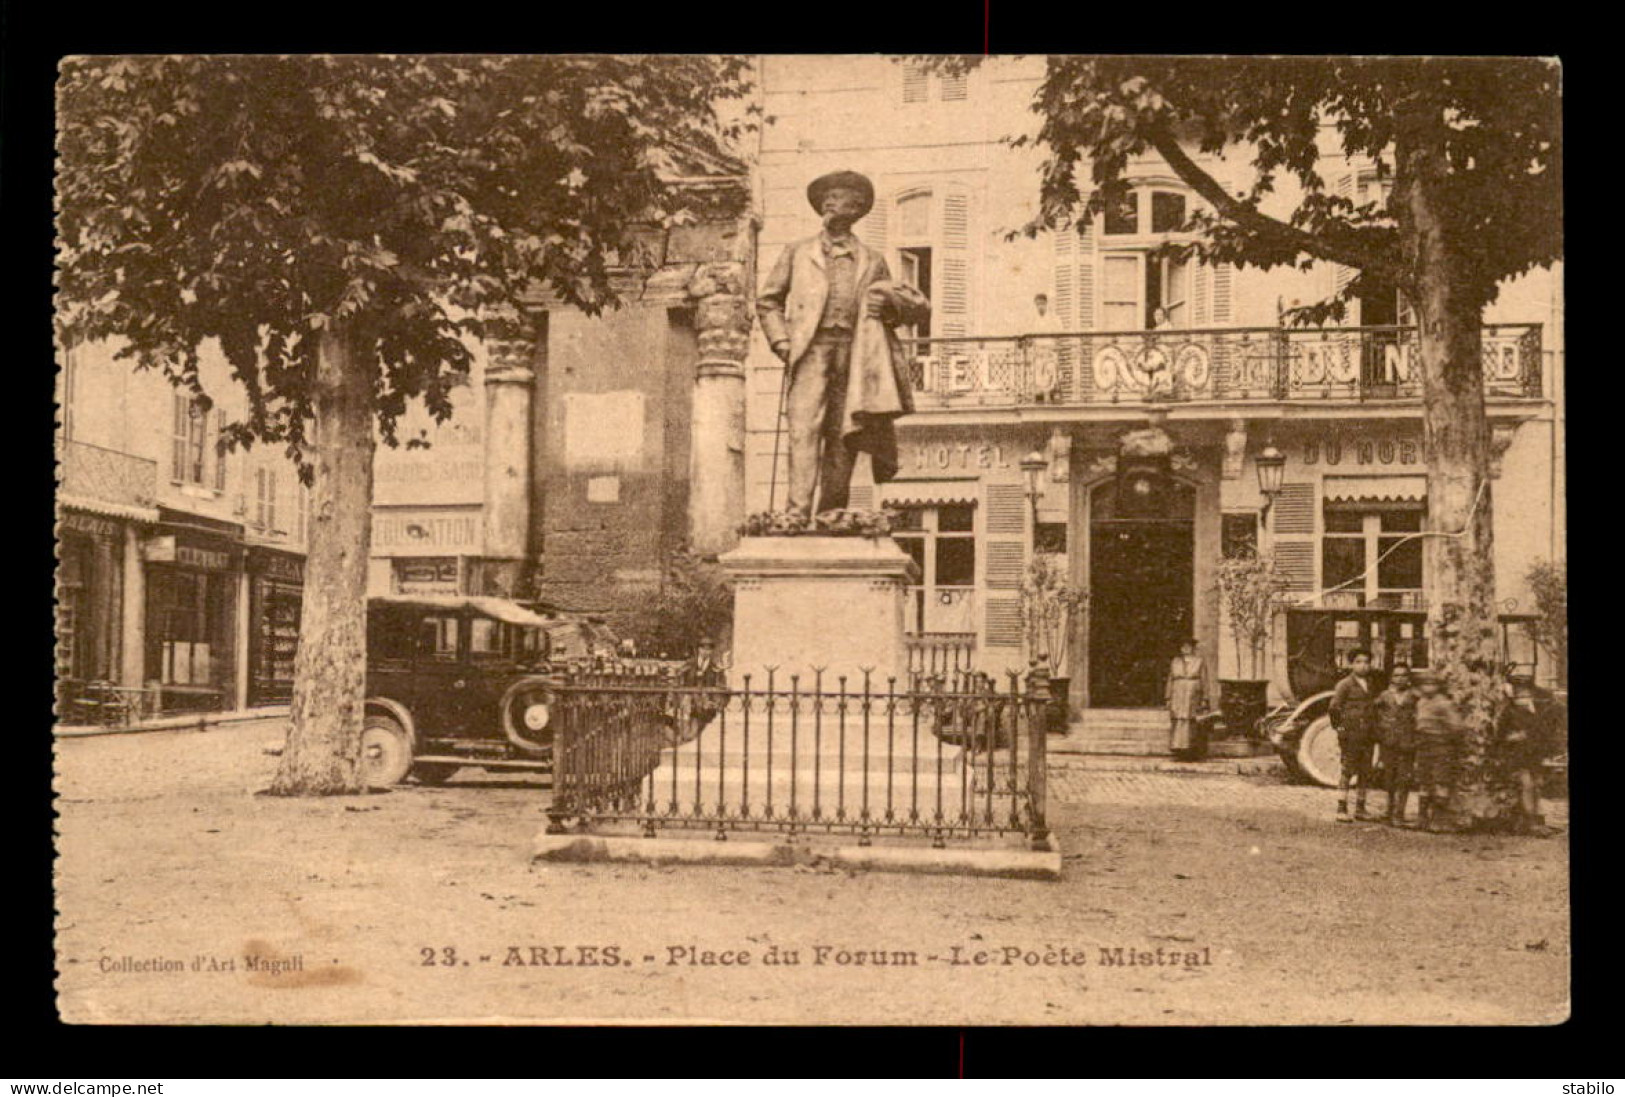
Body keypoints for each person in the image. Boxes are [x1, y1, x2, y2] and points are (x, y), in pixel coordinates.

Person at [757, 170, 930, 519]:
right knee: (803, 429)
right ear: (822, 206)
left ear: (859, 209)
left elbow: (898, 308)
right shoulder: (797, 252)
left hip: (856, 354)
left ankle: (831, 511)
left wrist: (889, 309)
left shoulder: (873, 259)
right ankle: (796, 512)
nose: (837, 205)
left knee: (843, 433)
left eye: (848, 200)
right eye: (831, 199)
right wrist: (782, 343)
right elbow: (768, 301)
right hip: (811, 349)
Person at [1497, 676, 1557, 837]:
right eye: (1520, 695)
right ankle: (1531, 822)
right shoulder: (1508, 713)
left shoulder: (1535, 711)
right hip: (1516, 755)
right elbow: (1499, 737)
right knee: (1527, 785)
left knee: (1537, 785)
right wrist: (1513, 737)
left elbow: (1542, 733)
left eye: (1526, 694)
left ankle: (1536, 820)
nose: (1523, 698)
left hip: (1533, 754)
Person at [1329, 649, 1380, 822]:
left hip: (1367, 735)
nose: (1363, 665)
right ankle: (1341, 808)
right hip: (1351, 735)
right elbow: (1334, 708)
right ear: (1351, 664)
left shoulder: (1371, 684)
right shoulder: (1344, 684)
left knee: (1365, 771)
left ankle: (1360, 808)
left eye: (1366, 662)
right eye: (1358, 661)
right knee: (1347, 770)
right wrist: (1341, 730)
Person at [1412, 669, 1464, 833]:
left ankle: (1438, 818)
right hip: (1423, 745)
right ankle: (1422, 818)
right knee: (1424, 781)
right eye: (1424, 684)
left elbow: (1457, 726)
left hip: (1441, 746)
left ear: (1438, 686)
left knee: (1441, 781)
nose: (1428, 687)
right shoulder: (1421, 702)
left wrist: (1447, 739)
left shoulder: (1443, 703)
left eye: (1432, 684)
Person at [1374, 663, 1419, 827]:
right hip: (1388, 741)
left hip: (1407, 742)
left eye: (1404, 675)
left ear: (1409, 678)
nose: (1400, 679)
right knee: (1389, 777)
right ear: (1392, 678)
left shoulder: (1414, 696)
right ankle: (1389, 810)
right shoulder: (1384, 696)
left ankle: (1400, 812)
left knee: (1404, 778)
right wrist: (1381, 733)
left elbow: (1418, 717)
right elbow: (1376, 715)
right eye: (1396, 675)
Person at [1165, 639, 1212, 761]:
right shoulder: (1175, 661)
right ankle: (1178, 750)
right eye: (1183, 647)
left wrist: (1205, 697)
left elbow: (1204, 680)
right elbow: (1170, 679)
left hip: (1193, 693)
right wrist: (1168, 697)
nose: (1185, 649)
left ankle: (1191, 751)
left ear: (1193, 648)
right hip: (1178, 693)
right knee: (1178, 720)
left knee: (1191, 721)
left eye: (1188, 647)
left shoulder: (1199, 661)